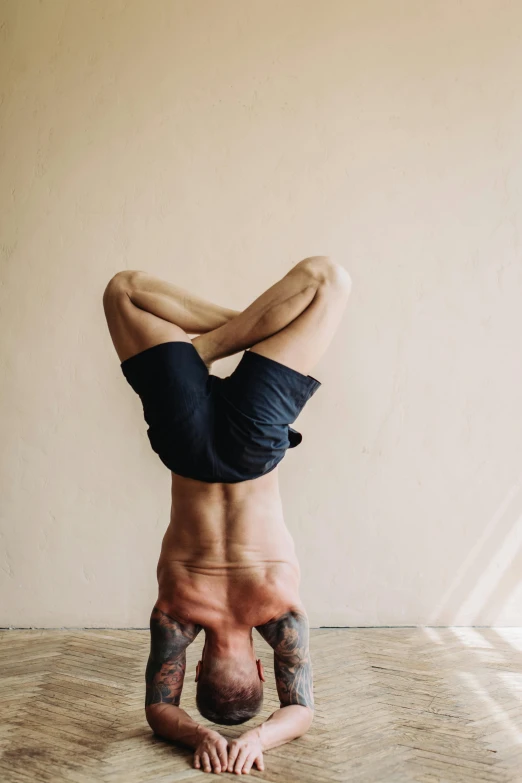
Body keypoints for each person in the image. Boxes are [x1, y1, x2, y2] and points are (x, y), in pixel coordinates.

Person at [103, 256, 351, 775]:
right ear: (194, 673)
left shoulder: (281, 614)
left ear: (263, 668)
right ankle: (217, 343)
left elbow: (300, 711)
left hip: (251, 449)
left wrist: (258, 737)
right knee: (123, 290)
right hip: (185, 446)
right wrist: (201, 733)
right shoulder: (176, 614)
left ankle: (221, 342)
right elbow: (158, 710)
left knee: (326, 280)